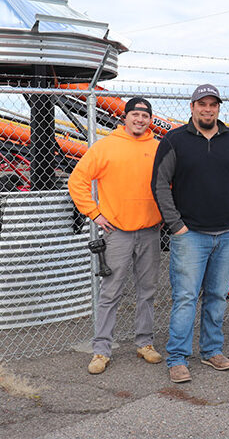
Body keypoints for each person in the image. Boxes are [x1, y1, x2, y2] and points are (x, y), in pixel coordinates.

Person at [151, 84, 229, 383]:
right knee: (185, 298)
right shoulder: (174, 140)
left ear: (218, 108)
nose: (207, 109)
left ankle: (211, 351)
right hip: (190, 235)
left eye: (213, 105)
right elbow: (159, 184)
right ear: (192, 107)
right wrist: (177, 226)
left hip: (228, 234)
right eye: (202, 104)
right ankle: (178, 357)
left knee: (218, 296)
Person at [68, 97, 164, 375]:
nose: (140, 119)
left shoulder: (158, 148)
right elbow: (78, 181)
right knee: (111, 292)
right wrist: (94, 213)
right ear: (125, 117)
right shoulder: (106, 146)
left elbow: (170, 183)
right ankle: (101, 350)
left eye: (145, 115)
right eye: (135, 114)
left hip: (150, 231)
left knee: (147, 291)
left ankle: (144, 343)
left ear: (150, 120)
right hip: (118, 233)